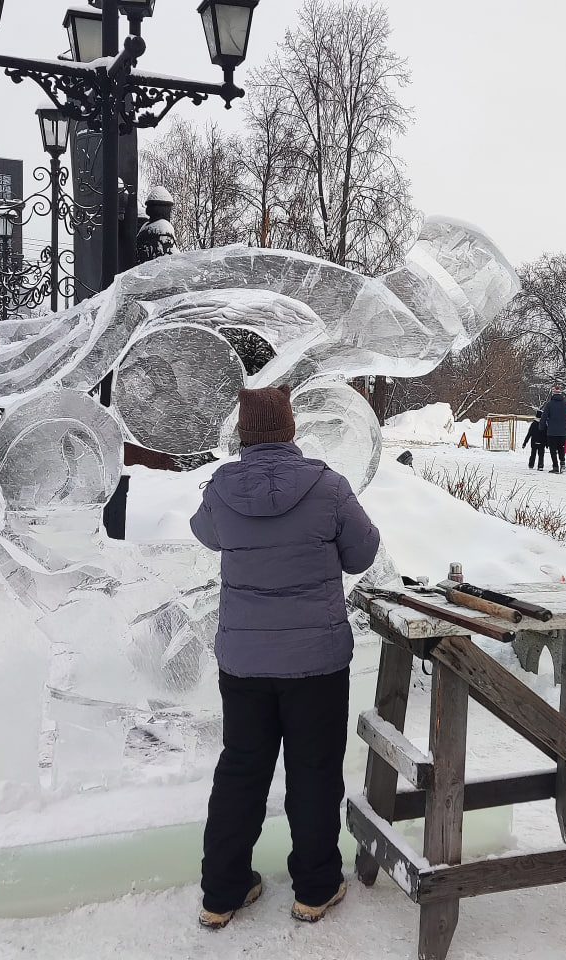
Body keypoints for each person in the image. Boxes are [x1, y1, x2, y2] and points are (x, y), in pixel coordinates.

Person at [189, 385, 381, 930]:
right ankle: (315, 889)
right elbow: (363, 553)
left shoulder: (221, 489)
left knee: (241, 770)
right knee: (315, 771)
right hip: (315, 662)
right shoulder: (329, 487)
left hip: (244, 661)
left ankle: (222, 893)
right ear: (291, 428)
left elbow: (206, 536)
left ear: (243, 433)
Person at [542, 385, 566, 473]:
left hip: (551, 431)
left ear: (553, 394)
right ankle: (563, 464)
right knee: (561, 448)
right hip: (562, 431)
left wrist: (541, 427)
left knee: (553, 450)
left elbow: (544, 417)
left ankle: (555, 466)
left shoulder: (549, 404)